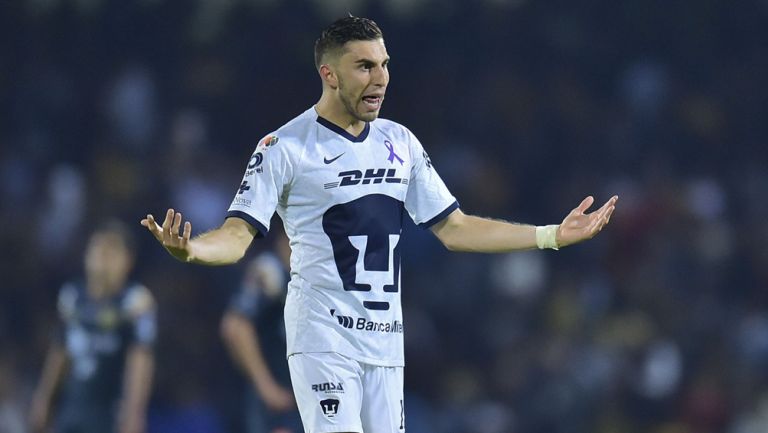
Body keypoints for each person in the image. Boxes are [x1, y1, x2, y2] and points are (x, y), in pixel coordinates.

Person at [141, 16, 618, 433]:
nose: (381, 78)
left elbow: (455, 228)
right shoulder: (284, 148)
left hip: (386, 343)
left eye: (384, 64)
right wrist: (192, 250)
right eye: (365, 66)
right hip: (322, 339)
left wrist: (551, 235)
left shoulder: (400, 142)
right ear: (328, 74)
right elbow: (236, 235)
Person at [30, 221, 156, 433]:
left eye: (112, 249)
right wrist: (43, 399)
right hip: (72, 409)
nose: (103, 256)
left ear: (128, 260)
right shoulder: (72, 297)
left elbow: (140, 358)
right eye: (98, 247)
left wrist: (135, 413)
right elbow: (60, 351)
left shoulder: (135, 303)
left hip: (109, 413)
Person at [220, 233, 302, 433]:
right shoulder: (270, 271)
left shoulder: (311, 275)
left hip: (307, 395)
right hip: (280, 400)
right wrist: (266, 387)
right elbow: (235, 326)